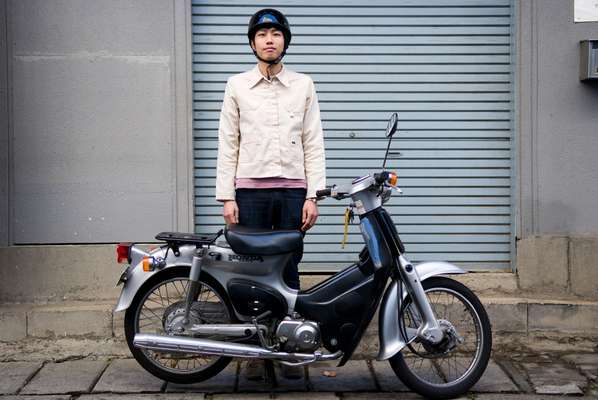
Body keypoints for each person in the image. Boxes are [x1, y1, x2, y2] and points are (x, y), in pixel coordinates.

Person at [215, 8, 326, 381]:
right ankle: (252, 351)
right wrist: (226, 196)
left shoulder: (303, 85)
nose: (268, 40)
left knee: (288, 266)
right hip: (250, 191)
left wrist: (314, 195)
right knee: (251, 271)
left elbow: (314, 143)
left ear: (284, 41)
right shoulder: (237, 86)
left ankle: (288, 349)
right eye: (261, 34)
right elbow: (228, 143)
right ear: (252, 43)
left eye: (275, 34)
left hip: (294, 192)